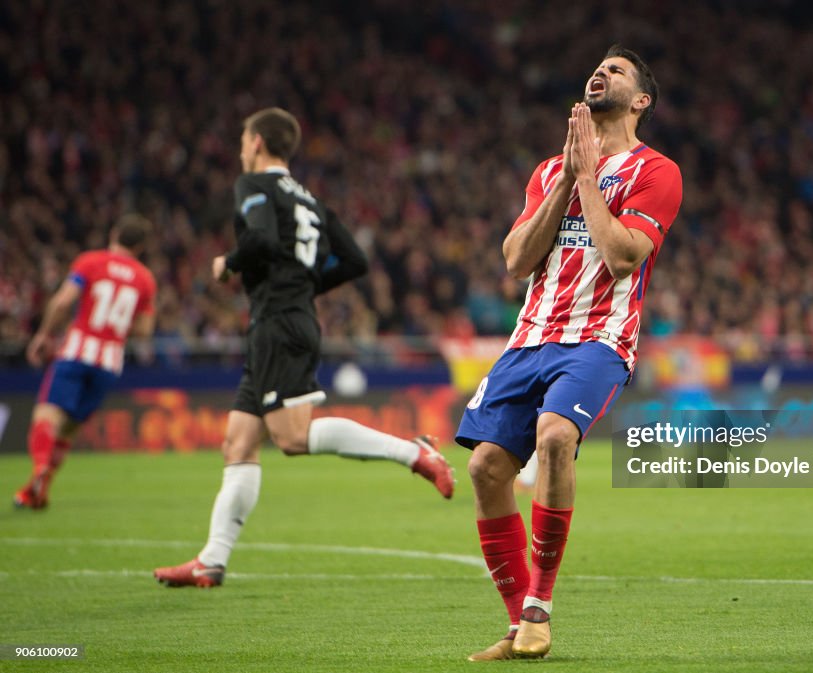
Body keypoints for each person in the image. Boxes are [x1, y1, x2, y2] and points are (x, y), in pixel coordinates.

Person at [154, 107, 454, 588]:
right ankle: (211, 560)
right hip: (285, 319)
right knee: (239, 442)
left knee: (291, 438)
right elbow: (354, 261)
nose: (240, 149)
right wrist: (306, 285)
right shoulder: (310, 200)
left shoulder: (253, 186)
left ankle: (413, 452)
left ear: (255, 142)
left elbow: (261, 239)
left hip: (278, 323)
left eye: (242, 140)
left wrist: (227, 264)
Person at [456, 46, 682, 660]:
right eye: (598, 67)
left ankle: (538, 607)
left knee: (555, 435)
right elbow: (514, 260)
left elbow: (623, 257)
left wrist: (588, 178)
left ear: (641, 101)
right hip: (530, 336)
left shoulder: (656, 171)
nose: (601, 72)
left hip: (599, 337)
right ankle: (520, 628)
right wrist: (566, 177)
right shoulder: (545, 171)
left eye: (619, 71)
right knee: (484, 470)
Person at [13, 215, 158, 509]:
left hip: (77, 351)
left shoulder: (91, 262)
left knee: (47, 417)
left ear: (114, 234)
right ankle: (37, 491)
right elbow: (144, 330)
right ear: (141, 246)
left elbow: (63, 301)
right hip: (108, 362)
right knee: (68, 430)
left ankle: (39, 469)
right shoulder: (145, 279)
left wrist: (43, 334)